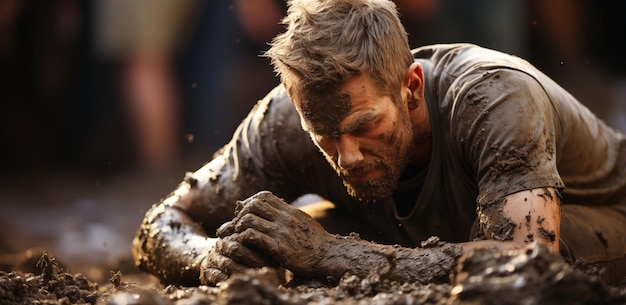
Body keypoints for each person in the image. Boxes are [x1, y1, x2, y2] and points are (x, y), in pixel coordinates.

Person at [132, 0, 626, 287]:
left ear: (411, 88)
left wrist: (330, 256)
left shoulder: (495, 97)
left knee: (311, 243)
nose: (346, 155)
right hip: (425, 229)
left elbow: (529, 262)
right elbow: (161, 223)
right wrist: (208, 256)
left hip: (600, 217)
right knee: (275, 232)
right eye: (323, 136)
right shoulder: (282, 120)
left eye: (365, 124)